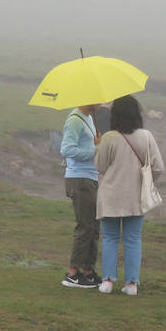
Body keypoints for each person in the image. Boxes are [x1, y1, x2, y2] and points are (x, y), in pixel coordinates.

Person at [93, 95, 163, 296]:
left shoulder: (109, 137)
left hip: (110, 195)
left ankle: (107, 281)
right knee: (133, 239)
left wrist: (99, 145)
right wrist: (147, 182)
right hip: (136, 197)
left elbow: (100, 166)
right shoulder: (147, 136)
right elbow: (159, 167)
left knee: (109, 238)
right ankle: (132, 284)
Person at [60, 103, 102, 288]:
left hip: (90, 177)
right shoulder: (75, 121)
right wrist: (95, 149)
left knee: (94, 225)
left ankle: (88, 271)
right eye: (98, 99)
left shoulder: (89, 118)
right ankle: (72, 274)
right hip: (79, 179)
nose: (101, 102)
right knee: (85, 226)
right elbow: (67, 150)